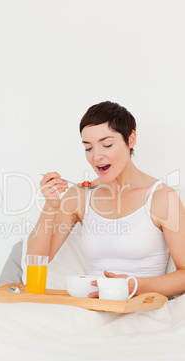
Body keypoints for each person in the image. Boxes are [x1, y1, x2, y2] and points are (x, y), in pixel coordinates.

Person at [27, 101, 185, 297]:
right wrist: (50, 207)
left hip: (141, 307)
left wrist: (134, 285)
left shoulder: (162, 198)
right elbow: (36, 259)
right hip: (92, 308)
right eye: (88, 148)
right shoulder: (80, 195)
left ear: (131, 139)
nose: (96, 156)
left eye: (107, 144)